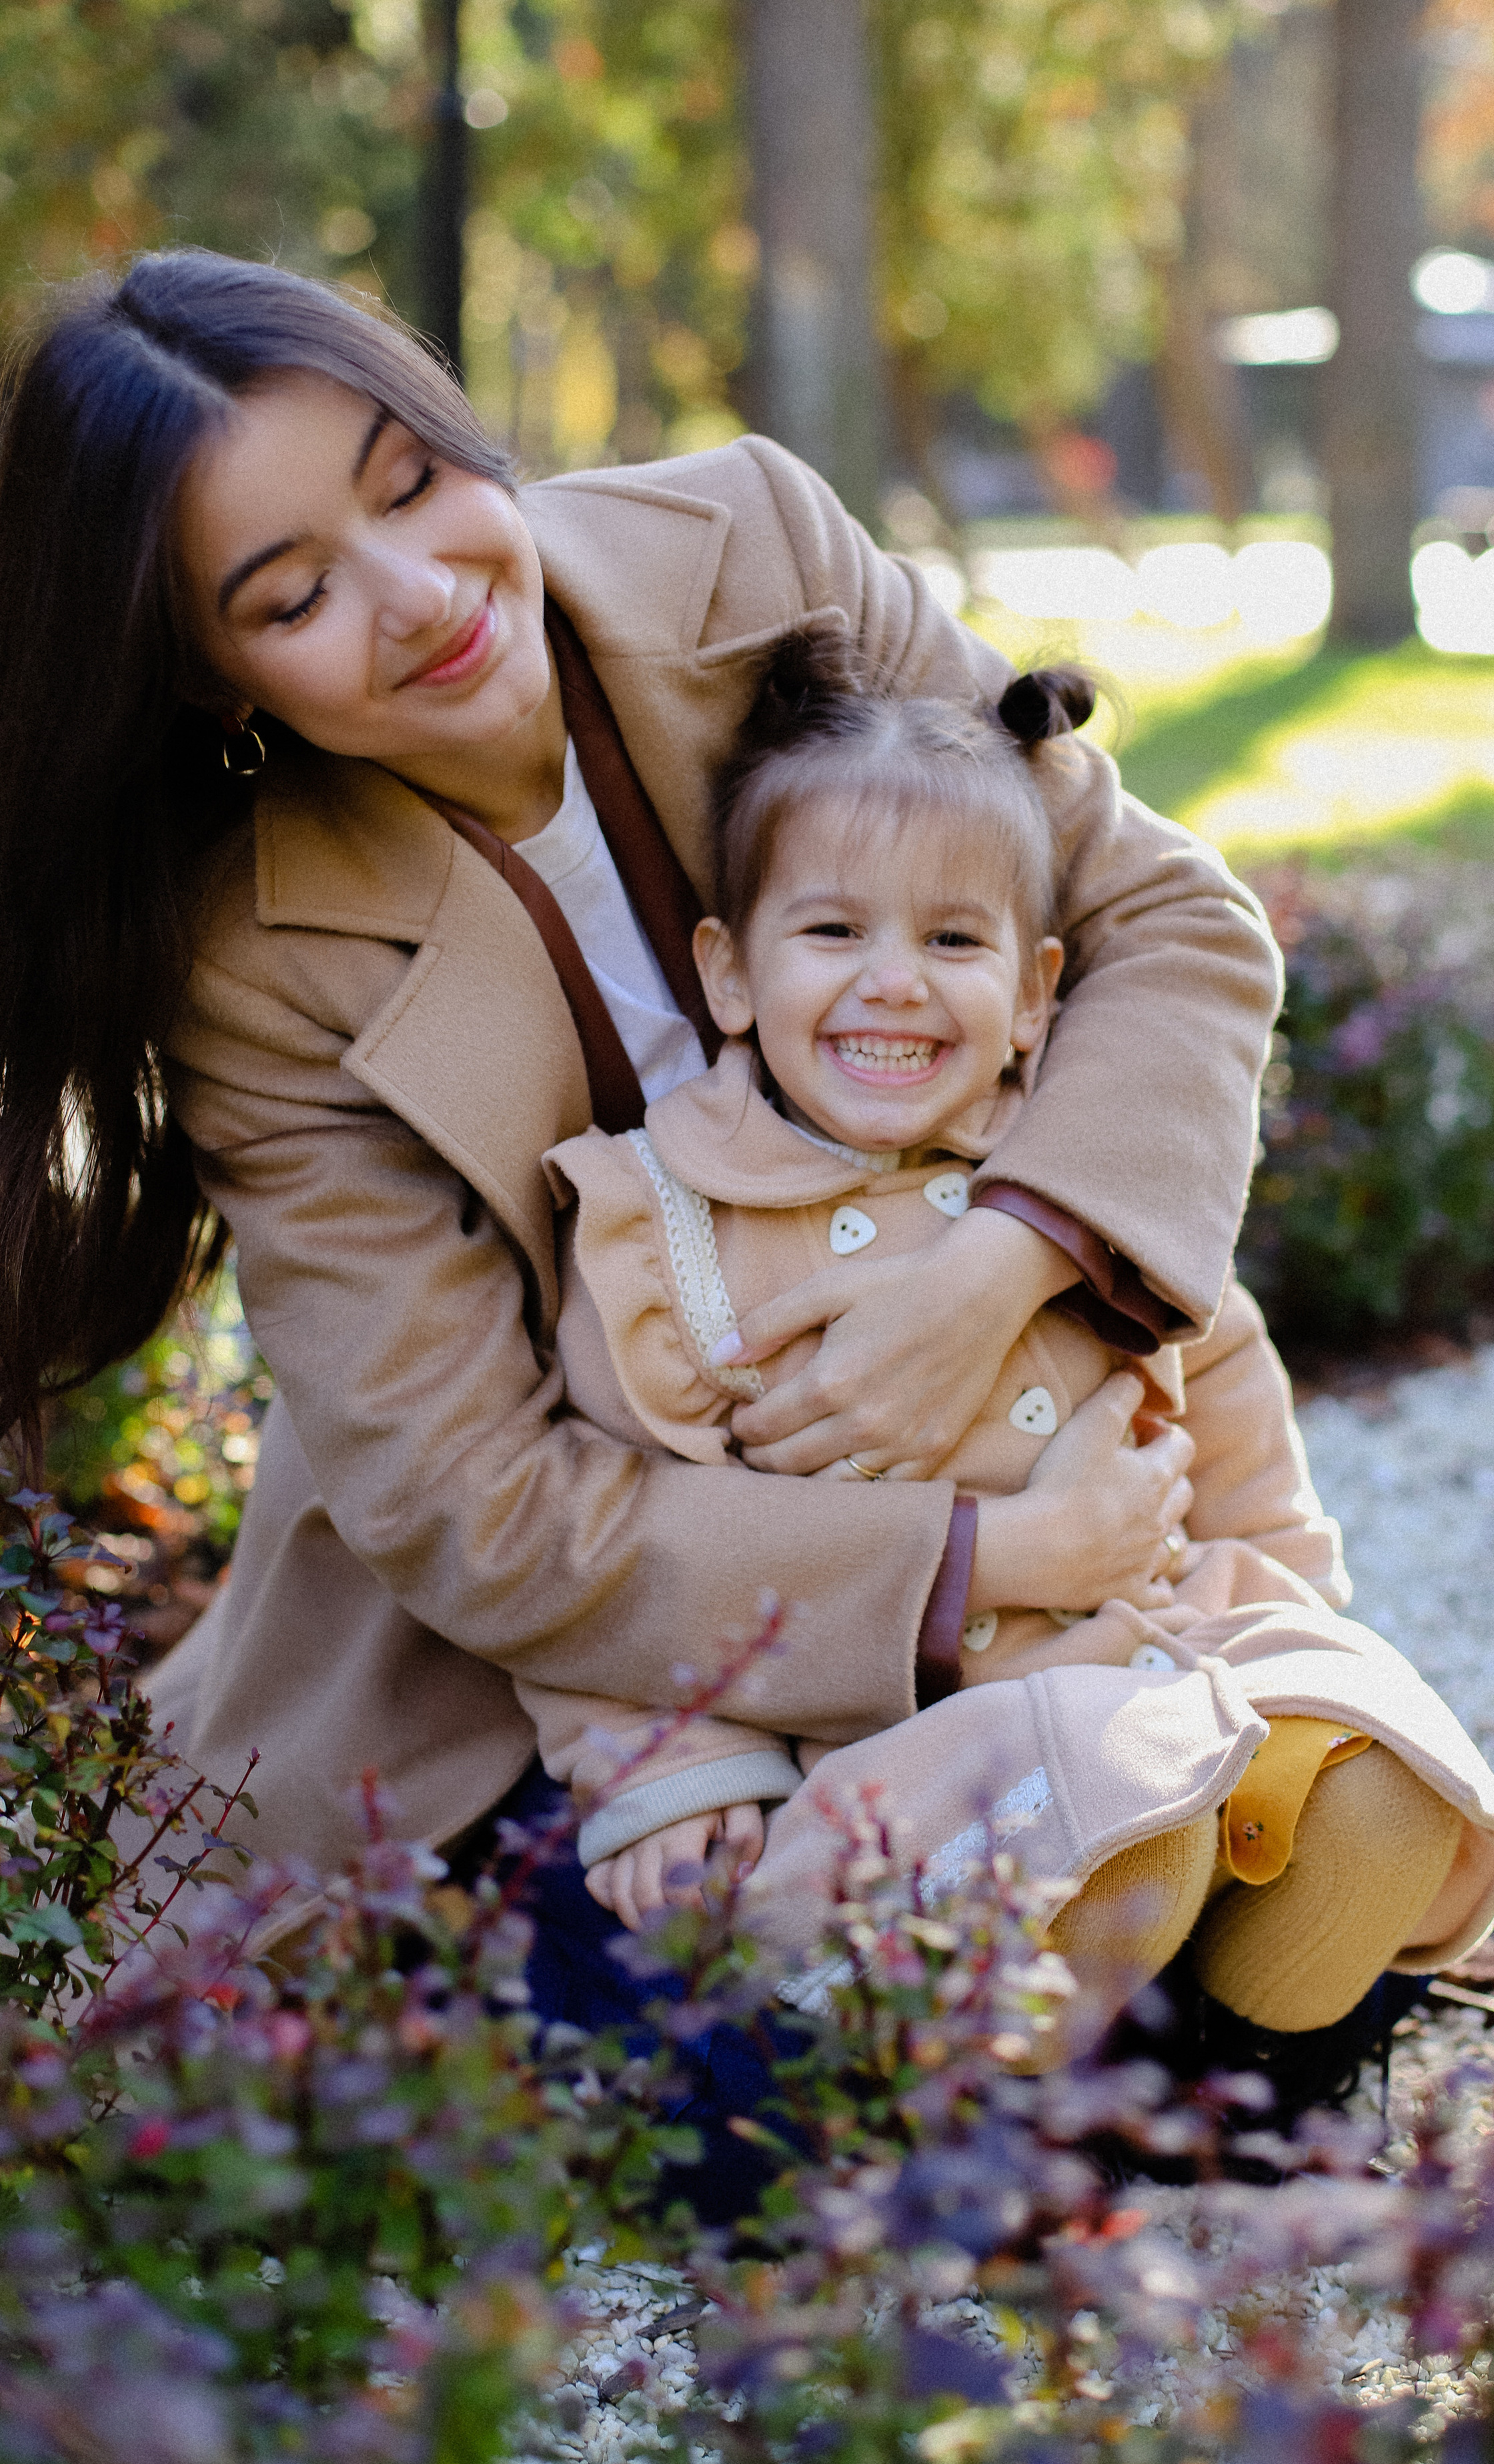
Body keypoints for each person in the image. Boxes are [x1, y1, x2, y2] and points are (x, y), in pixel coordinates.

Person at [0, 253, 1292, 2119]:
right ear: (211, 679)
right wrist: (956, 1567)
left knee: (1266, 1984)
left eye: (410, 484)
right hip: (590, 1663)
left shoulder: (753, 545)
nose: (422, 595)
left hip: (1031, 1448)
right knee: (769, 2081)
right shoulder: (248, 950)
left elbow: (1162, 919)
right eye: (292, 597)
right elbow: (473, 1505)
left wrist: (996, 1274)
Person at [534, 634, 1494, 2063]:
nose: (894, 984)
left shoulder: (1070, 1185)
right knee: (1099, 1801)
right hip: (906, 1726)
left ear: (1033, 993)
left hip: (1164, 1628)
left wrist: (1299, 1600)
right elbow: (619, 1540)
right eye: (832, 934)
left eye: (951, 942)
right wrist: (674, 1769)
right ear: (731, 972)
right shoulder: (666, 1232)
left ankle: (1249, 2061)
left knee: (1369, 1772)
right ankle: (1020, 2089)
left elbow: (1223, 1383)